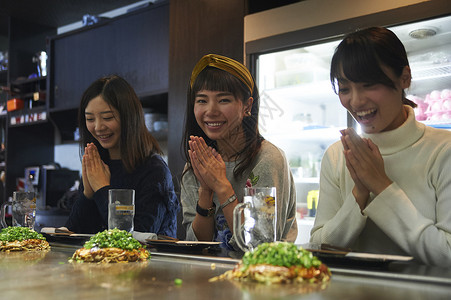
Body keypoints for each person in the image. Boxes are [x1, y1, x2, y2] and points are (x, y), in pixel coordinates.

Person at [310, 27, 451, 266]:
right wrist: (359, 194)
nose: (355, 101)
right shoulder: (337, 155)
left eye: (369, 84)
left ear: (404, 77)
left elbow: (447, 256)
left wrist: (381, 185)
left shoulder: (443, 151)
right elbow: (319, 249)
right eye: (344, 89)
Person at [181, 54, 297, 250]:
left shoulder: (268, 159)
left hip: (263, 276)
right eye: (202, 100)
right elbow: (197, 246)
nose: (211, 110)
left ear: (247, 106)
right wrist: (206, 192)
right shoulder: (198, 161)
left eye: (223, 100)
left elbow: (260, 244)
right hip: (208, 277)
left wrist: (221, 185)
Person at [65, 75, 179, 236]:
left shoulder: (154, 170)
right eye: (90, 119)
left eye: (107, 117)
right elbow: (72, 232)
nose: (98, 127)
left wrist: (102, 189)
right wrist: (87, 195)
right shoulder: (98, 164)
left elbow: (136, 238)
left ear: (129, 117)